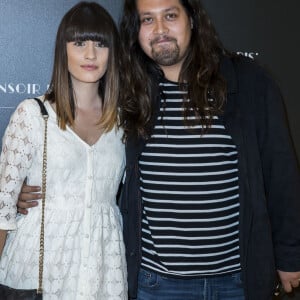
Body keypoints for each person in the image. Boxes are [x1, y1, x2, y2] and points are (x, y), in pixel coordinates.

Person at [17, 0, 300, 299]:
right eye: (147, 20)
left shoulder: (247, 82)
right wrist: (31, 189)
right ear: (136, 31)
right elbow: (84, 155)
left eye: (170, 16)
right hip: (156, 284)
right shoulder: (125, 92)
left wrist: (290, 254)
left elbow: (280, 174)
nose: (160, 29)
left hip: (237, 281)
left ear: (191, 19)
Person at [0, 2, 127, 299]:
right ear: (63, 49)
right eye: (79, 42)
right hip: (37, 275)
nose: (90, 54)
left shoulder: (124, 123)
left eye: (100, 43)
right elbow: (2, 210)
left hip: (103, 275)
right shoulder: (32, 115)